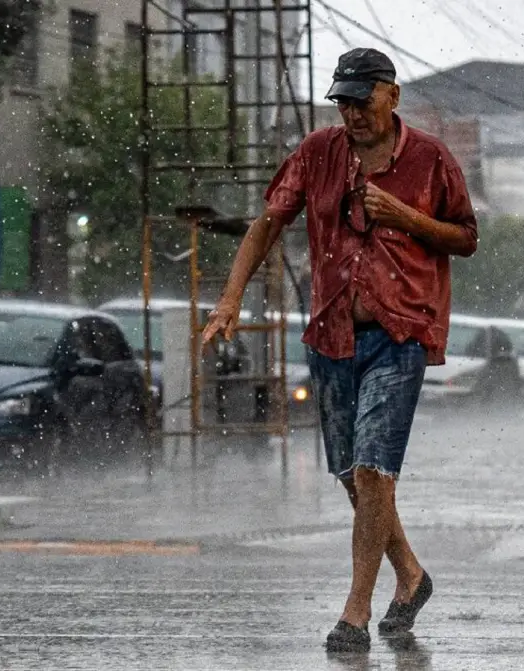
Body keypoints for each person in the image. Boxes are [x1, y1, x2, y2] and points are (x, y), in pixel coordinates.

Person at [201, 47, 478, 652]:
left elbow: (465, 238)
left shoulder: (431, 158)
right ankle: (411, 575)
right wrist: (229, 298)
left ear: (392, 96)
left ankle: (355, 613)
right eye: (343, 103)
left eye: (362, 100)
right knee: (355, 476)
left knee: (376, 469)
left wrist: (405, 216)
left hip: (400, 334)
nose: (352, 113)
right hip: (330, 335)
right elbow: (268, 223)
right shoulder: (317, 152)